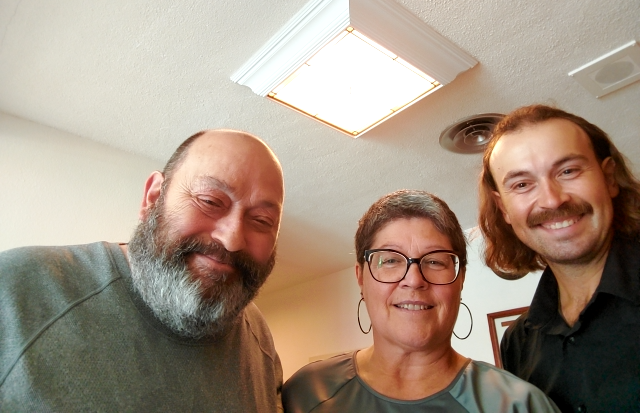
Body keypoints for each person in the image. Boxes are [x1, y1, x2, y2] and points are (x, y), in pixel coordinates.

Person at [0, 129, 285, 412]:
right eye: (210, 201)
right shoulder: (17, 289)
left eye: (262, 220)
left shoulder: (259, 339)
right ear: (153, 197)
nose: (232, 239)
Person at [282, 190, 560, 412]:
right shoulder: (306, 393)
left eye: (435, 261)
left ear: (461, 278)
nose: (414, 280)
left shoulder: (517, 405)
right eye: (390, 260)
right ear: (361, 278)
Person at [479, 104, 640, 412]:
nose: (552, 200)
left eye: (568, 171)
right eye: (522, 185)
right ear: (503, 209)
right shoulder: (517, 344)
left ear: (609, 178)